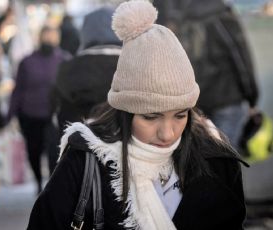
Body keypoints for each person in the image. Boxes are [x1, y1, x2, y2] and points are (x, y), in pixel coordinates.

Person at [27, 1, 247, 229]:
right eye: (151, 117)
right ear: (126, 112)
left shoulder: (217, 161)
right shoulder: (85, 161)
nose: (167, 133)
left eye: (180, 115)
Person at [153, 0, 259, 148]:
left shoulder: (173, 18)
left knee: (198, 160)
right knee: (223, 160)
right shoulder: (221, 15)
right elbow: (239, 58)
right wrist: (252, 98)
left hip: (193, 104)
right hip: (228, 100)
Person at [8, 25, 70, 193]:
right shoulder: (27, 62)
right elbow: (18, 89)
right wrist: (11, 114)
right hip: (30, 115)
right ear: (39, 38)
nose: (49, 39)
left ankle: (51, 186)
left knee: (53, 153)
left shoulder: (64, 60)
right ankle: (37, 182)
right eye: (46, 36)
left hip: (54, 117)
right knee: (33, 152)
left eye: (52, 36)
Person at [53, 6, 122, 132]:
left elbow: (60, 113)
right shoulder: (133, 65)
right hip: (124, 144)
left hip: (79, 143)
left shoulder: (68, 68)